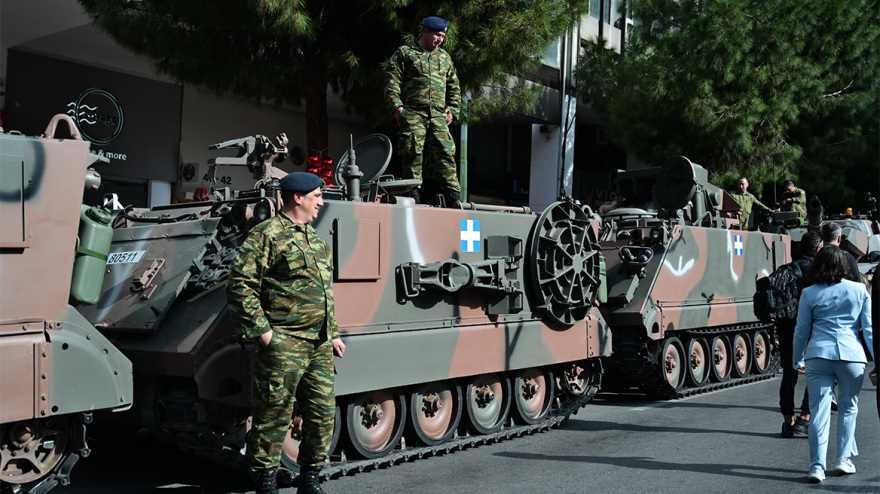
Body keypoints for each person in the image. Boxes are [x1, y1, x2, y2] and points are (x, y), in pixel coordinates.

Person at [226, 172, 346, 494]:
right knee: (274, 416)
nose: (321, 202)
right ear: (298, 197)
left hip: (318, 346)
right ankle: (266, 482)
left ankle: (310, 479)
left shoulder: (316, 241)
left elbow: (324, 292)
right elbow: (240, 284)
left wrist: (332, 332)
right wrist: (264, 334)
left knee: (322, 415)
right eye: (317, 195)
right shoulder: (267, 235)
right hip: (284, 344)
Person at [792, 245, 873, 483]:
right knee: (849, 408)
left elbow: (801, 331)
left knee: (819, 412)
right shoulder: (859, 290)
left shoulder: (809, 293)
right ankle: (843, 460)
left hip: (819, 355)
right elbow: (869, 330)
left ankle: (817, 466)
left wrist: (797, 358)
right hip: (851, 356)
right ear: (844, 266)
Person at [384, 16, 461, 206]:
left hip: (438, 115)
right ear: (425, 31)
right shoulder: (405, 53)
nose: (440, 39)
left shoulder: (444, 58)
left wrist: (452, 109)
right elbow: (391, 80)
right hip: (413, 113)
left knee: (446, 154)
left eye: (442, 36)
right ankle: (412, 195)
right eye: (437, 35)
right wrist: (397, 108)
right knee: (412, 153)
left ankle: (453, 196)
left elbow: (454, 86)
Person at [778, 231, 822, 438]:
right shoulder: (818, 272)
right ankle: (805, 416)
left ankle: (788, 421)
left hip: (787, 328)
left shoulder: (786, 269)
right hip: (811, 328)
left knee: (789, 374)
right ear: (817, 249)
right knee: (814, 374)